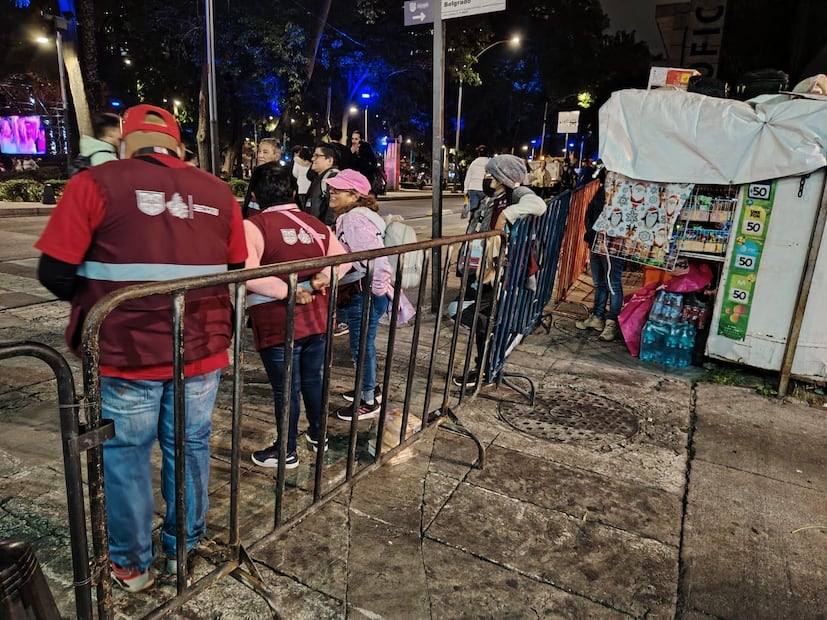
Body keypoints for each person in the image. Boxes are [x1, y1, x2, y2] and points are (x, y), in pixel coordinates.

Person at [34, 103, 247, 593]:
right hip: (201, 348)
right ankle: (183, 547)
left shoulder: (94, 184)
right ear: (177, 146)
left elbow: (54, 272)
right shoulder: (218, 192)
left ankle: (132, 564)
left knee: (126, 453)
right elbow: (237, 267)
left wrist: (103, 303)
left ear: (125, 142)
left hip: (124, 349)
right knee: (190, 444)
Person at [244, 163, 349, 469]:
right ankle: (318, 434)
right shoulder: (315, 225)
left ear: (255, 195)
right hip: (317, 317)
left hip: (278, 321)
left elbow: (248, 276)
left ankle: (286, 449)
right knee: (312, 379)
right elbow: (345, 261)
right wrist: (321, 279)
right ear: (293, 191)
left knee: (285, 387)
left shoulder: (254, 226)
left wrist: (289, 291)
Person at [452, 154, 547, 387]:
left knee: (471, 314)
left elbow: (539, 205)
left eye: (491, 175)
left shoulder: (516, 195)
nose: (487, 178)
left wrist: (506, 215)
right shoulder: (491, 197)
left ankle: (491, 361)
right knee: (468, 314)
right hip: (484, 271)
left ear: (502, 178)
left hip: (500, 273)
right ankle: (486, 365)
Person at [326, 169, 395, 420]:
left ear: (354, 195)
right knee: (364, 345)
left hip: (362, 293)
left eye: (338, 189)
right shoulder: (353, 216)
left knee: (361, 347)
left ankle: (368, 400)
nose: (331, 192)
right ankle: (370, 388)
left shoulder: (355, 219)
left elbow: (376, 260)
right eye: (331, 188)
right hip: (362, 292)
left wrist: (373, 292)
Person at [575, 163, 623, 341]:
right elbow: (591, 213)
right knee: (599, 283)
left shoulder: (622, 192)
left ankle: (611, 323)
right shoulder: (603, 188)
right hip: (595, 241)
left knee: (613, 285)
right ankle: (597, 317)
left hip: (612, 245)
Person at [242, 138, 284, 216]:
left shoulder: (282, 177)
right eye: (259, 151)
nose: (260, 155)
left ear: (276, 155)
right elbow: (248, 199)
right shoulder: (256, 174)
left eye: (265, 152)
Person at [304, 143, 340, 226]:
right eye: (313, 155)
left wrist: (326, 228)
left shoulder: (332, 178)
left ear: (329, 160)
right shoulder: (320, 178)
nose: (312, 159)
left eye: (317, 156)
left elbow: (334, 208)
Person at [462, 145, 489, 219]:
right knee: (484, 211)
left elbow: (468, 177)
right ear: (487, 153)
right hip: (485, 190)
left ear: (478, 153)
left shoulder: (473, 163)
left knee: (474, 210)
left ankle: (472, 223)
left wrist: (465, 190)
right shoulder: (490, 164)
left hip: (473, 188)